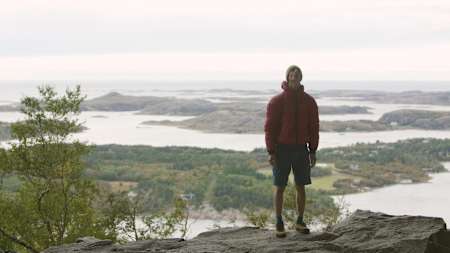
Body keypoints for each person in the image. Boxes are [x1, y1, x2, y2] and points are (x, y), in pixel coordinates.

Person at [264, 65, 319, 238]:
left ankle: (300, 221)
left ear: (301, 77)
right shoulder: (277, 101)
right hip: (282, 150)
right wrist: (271, 152)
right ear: (287, 77)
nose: (294, 75)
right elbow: (270, 129)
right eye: (291, 73)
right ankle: (279, 221)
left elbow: (314, 127)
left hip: (302, 150)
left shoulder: (309, 102)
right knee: (279, 186)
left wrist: (313, 150)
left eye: (297, 73)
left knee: (300, 186)